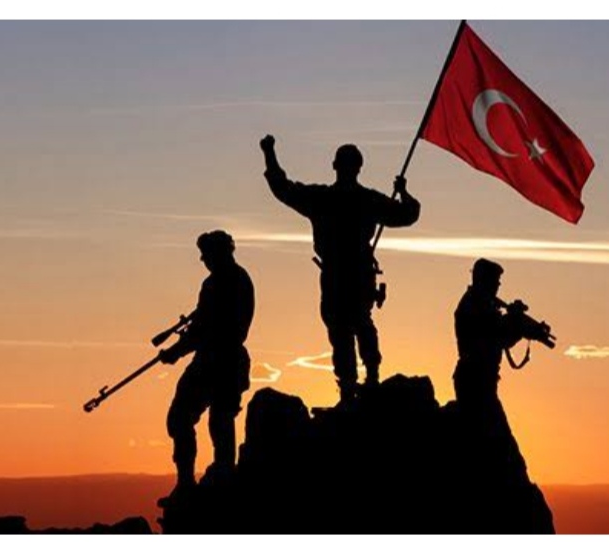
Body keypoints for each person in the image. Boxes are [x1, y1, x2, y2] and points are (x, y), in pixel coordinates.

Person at [260, 134, 420, 403]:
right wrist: (403, 192)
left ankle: (355, 385)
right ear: (358, 167)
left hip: (341, 275)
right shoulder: (364, 200)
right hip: (351, 275)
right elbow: (408, 214)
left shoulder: (323, 198)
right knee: (355, 324)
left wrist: (269, 153)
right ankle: (365, 380)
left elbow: (282, 188)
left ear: (335, 165)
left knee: (345, 328)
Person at [160, 230, 255, 499]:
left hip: (221, 361)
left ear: (219, 253)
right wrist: (180, 348)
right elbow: (202, 327)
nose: (204, 261)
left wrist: (176, 351)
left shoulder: (226, 282)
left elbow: (207, 329)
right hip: (219, 361)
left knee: (211, 419)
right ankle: (197, 481)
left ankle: (206, 479)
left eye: (206, 255)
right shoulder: (225, 281)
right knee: (192, 418)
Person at [452, 258, 524, 410]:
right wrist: (516, 323)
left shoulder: (483, 304)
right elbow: (497, 337)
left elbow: (499, 336)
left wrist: (516, 323)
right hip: (475, 380)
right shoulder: (474, 305)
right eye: (495, 280)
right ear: (484, 280)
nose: (498, 285)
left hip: (482, 380)